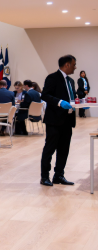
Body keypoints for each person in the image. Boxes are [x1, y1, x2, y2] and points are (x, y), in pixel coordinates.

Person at [40, 55, 78, 187]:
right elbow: (45, 95)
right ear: (67, 65)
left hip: (68, 120)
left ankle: (59, 176)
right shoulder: (52, 78)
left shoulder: (71, 81)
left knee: (64, 149)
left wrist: (79, 103)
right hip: (54, 120)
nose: (75, 67)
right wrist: (59, 102)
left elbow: (71, 98)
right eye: (74, 64)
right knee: (49, 149)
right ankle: (45, 177)